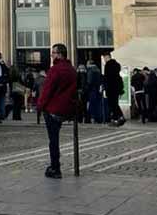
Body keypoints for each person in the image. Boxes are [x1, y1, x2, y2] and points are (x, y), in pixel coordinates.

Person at [36, 43, 77, 179]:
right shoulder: (71, 69)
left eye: (53, 53)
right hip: (67, 109)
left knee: (53, 140)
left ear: (59, 54)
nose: (52, 55)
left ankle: (55, 168)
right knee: (54, 138)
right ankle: (55, 166)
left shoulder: (55, 70)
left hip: (53, 109)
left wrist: (40, 106)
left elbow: (47, 90)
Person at [102, 51, 125, 126]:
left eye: (104, 58)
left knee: (112, 104)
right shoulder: (117, 65)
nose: (104, 60)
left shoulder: (108, 65)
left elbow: (107, 78)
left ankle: (117, 119)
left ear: (106, 57)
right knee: (115, 103)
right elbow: (118, 77)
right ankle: (119, 117)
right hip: (116, 88)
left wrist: (105, 87)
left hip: (110, 88)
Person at [86, 57, 105, 124]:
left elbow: (89, 81)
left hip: (92, 90)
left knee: (92, 104)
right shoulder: (98, 70)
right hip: (98, 90)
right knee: (97, 104)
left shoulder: (90, 70)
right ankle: (98, 118)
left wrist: (87, 88)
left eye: (87, 63)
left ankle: (92, 118)